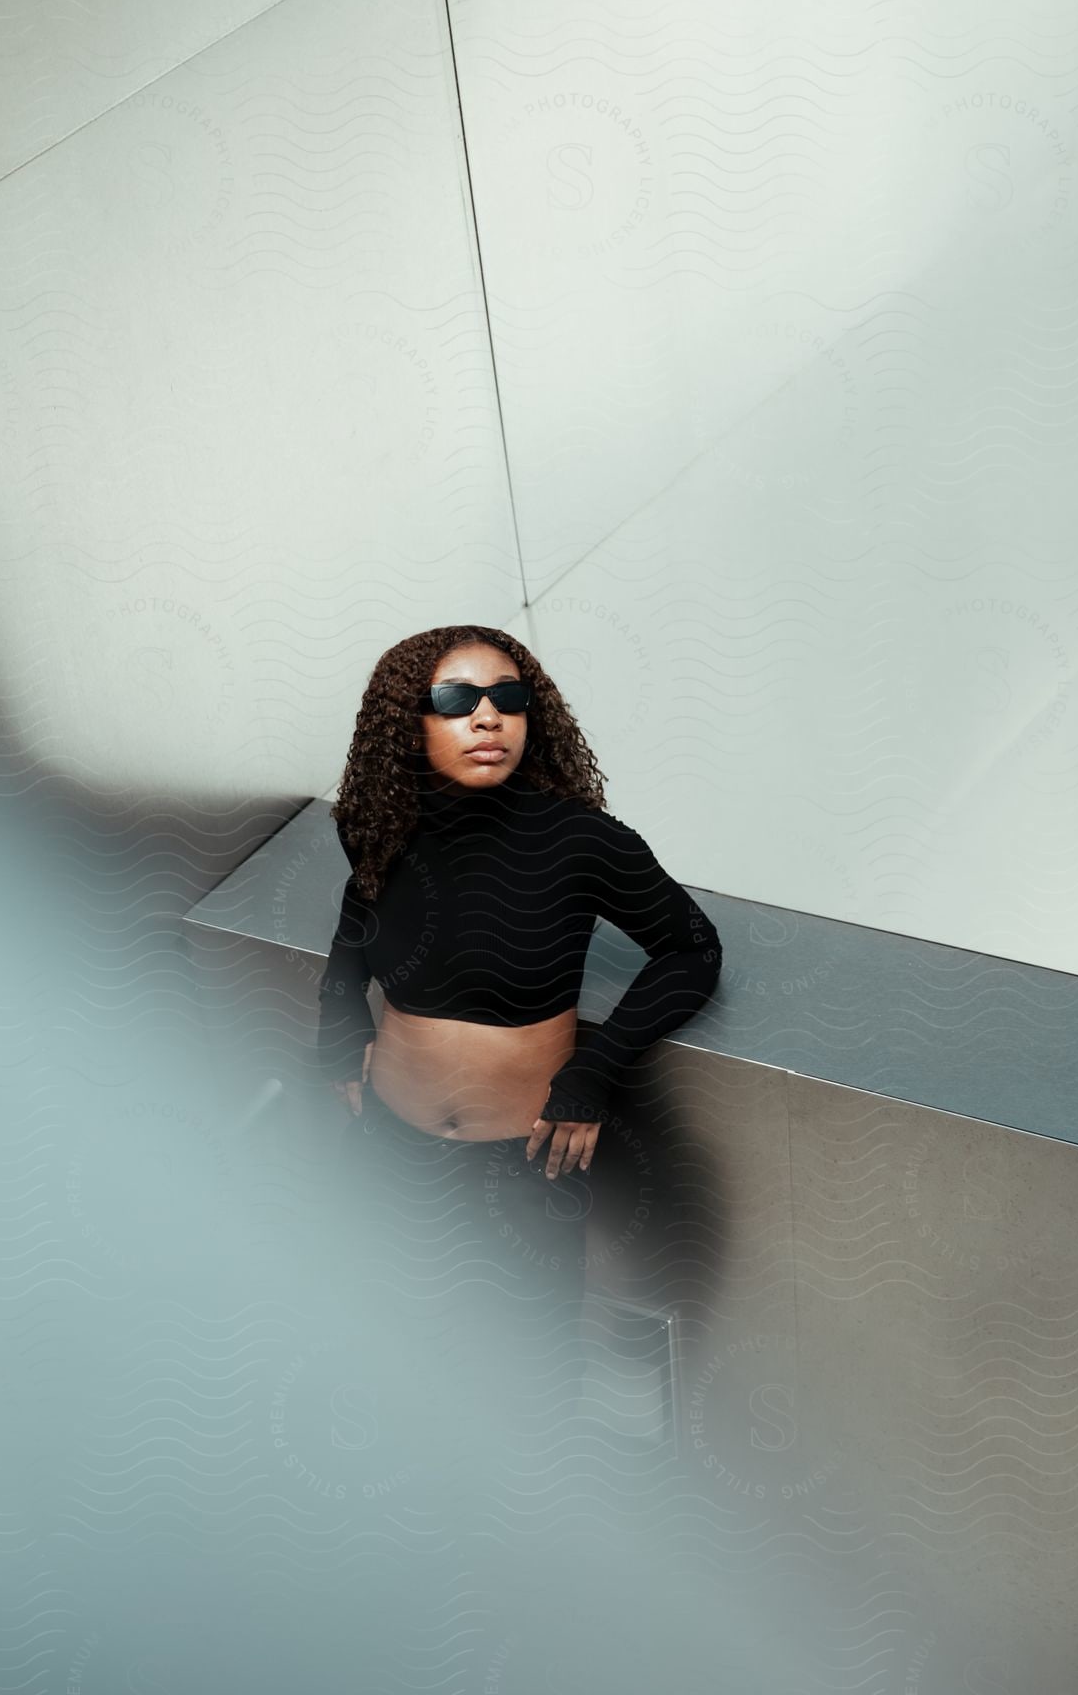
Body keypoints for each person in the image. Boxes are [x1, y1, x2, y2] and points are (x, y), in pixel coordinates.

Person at [312, 623, 722, 1503]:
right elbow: (352, 941)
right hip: (387, 1144)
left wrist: (594, 1070)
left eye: (509, 698)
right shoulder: (380, 831)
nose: (488, 717)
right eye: (458, 701)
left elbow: (690, 949)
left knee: (529, 1379)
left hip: (526, 1162)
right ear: (409, 724)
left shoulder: (579, 841)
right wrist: (335, 1030)